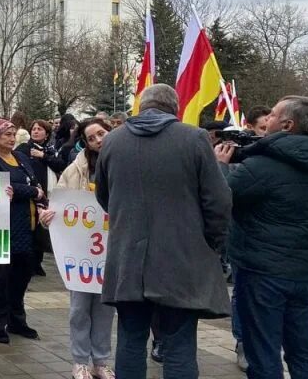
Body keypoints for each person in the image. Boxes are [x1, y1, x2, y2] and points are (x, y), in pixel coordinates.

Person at [95, 84, 231, 379]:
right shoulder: (194, 138)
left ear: (141, 107)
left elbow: (105, 196)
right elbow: (218, 201)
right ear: (175, 108)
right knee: (179, 344)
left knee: (130, 340)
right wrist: (212, 242)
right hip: (180, 260)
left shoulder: (113, 141)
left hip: (128, 260)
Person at [216, 95, 308, 379]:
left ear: (287, 124)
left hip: (262, 271)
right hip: (303, 269)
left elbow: (221, 199)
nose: (267, 119)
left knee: (262, 348)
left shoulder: (262, 165)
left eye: (272, 115)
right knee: (302, 344)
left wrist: (222, 166)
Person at [40, 118, 116, 379]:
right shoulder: (75, 169)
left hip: (110, 250)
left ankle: (101, 361)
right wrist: (47, 216)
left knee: (106, 309)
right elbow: (59, 201)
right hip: (80, 251)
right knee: (79, 309)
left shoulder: (123, 162)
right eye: (91, 138)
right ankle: (80, 360)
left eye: (101, 134)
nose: (98, 141)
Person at [0, 117, 44, 344]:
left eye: (13, 133)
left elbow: (36, 185)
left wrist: (31, 191)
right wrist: (31, 191)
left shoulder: (20, 158)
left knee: (21, 278)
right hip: (2, 229)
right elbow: (3, 187)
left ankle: (17, 320)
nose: (11, 138)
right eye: (7, 134)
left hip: (26, 228)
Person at [17, 119, 66, 277]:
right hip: (32, 193)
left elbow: (60, 165)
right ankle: (29, 263)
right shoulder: (24, 148)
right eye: (34, 129)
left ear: (47, 133)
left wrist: (43, 156)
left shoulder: (49, 150)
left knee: (42, 229)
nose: (35, 131)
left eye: (39, 129)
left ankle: (38, 262)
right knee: (31, 227)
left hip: (48, 194)